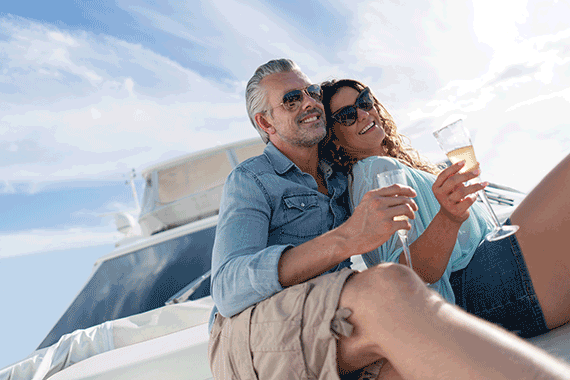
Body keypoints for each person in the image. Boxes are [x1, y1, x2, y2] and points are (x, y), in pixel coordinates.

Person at [208, 58, 570, 380]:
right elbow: (228, 288)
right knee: (388, 286)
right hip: (256, 334)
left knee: (413, 344)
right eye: (291, 99)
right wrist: (349, 238)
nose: (308, 102)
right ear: (265, 123)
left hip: (335, 324)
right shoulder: (252, 179)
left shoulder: (336, 178)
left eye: (311, 91)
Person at [318, 78, 570, 340]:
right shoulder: (375, 171)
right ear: (334, 140)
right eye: (347, 115)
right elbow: (407, 273)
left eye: (364, 101)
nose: (362, 113)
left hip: (486, 281)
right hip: (482, 287)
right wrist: (449, 216)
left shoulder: (379, 170)